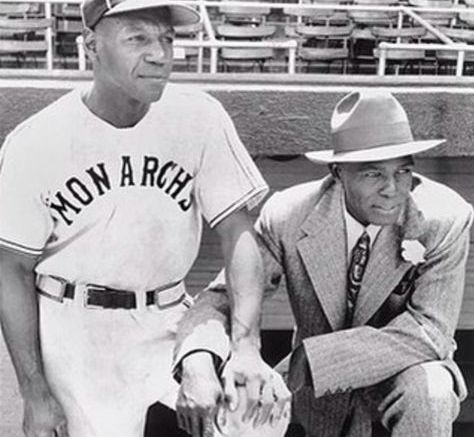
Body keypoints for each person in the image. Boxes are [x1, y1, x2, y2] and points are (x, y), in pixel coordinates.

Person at [0, 0, 288, 437]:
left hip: (167, 317)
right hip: (73, 330)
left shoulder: (199, 117)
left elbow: (238, 233)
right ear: (91, 47)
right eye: (137, 38)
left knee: (249, 423)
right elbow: (10, 270)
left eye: (167, 39)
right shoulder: (37, 141)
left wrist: (247, 346)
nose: (159, 55)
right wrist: (34, 392)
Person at [174, 89, 473, 437]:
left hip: (401, 370)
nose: (393, 189)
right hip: (317, 396)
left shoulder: (444, 217)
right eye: (373, 174)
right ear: (337, 173)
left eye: (403, 171)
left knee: (432, 386)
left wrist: (313, 360)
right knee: (243, 401)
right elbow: (224, 297)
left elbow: (430, 333)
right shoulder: (289, 214)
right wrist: (198, 360)